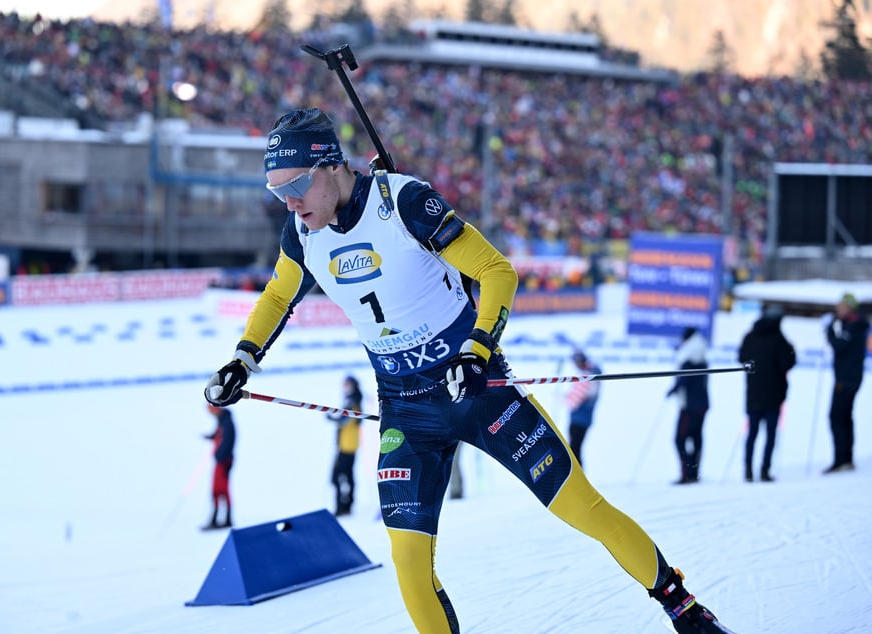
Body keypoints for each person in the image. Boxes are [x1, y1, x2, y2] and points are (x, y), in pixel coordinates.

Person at [204, 108, 732, 633]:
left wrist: (476, 350)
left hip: (477, 393)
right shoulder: (302, 235)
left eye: (296, 185)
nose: (290, 203)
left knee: (582, 508)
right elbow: (278, 295)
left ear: (331, 165)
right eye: (278, 193)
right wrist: (243, 357)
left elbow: (497, 271)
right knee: (409, 564)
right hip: (407, 411)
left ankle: (683, 606)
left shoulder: (405, 202)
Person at [738, 304, 796, 482]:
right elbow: (788, 362)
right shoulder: (779, 340)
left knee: (752, 433)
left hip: (753, 393)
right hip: (773, 395)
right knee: (770, 434)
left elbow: (741, 358)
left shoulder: (750, 336)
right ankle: (764, 470)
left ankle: (748, 469)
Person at [823, 292, 869, 474]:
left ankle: (841, 459)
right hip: (848, 377)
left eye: (841, 307)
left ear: (849, 308)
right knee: (845, 417)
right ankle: (846, 458)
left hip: (846, 379)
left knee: (837, 417)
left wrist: (829, 332)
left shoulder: (855, 325)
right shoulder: (854, 324)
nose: (838, 310)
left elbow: (839, 346)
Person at [666, 327, 710, 485]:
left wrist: (672, 390)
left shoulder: (688, 356)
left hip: (689, 406)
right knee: (696, 439)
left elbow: (684, 380)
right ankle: (694, 472)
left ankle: (687, 473)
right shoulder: (701, 355)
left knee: (680, 439)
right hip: (702, 404)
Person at [325, 375, 363, 516]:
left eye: (347, 384)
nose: (345, 387)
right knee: (347, 476)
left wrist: (332, 419)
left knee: (337, 477)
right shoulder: (354, 401)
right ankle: (347, 504)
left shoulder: (353, 402)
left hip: (347, 446)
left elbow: (344, 421)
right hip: (349, 445)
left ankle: (342, 507)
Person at [564, 349, 602, 468]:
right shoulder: (591, 373)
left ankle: (578, 478)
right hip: (583, 418)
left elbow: (573, 402)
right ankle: (579, 477)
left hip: (579, 419)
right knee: (576, 449)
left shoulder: (587, 375)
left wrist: (561, 397)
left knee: (574, 450)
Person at [202, 404, 236, 530]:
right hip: (221, 460)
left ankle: (225, 519)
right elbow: (219, 435)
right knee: (217, 491)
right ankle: (217, 518)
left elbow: (228, 441)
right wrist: (211, 437)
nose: (210, 413)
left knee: (221, 490)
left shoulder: (227, 422)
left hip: (224, 461)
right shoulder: (222, 421)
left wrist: (219, 455)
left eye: (211, 410)